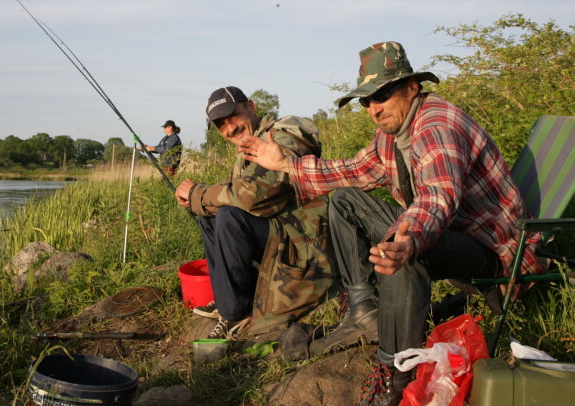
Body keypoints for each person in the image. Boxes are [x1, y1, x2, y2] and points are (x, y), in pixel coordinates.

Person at [238, 42, 545, 405]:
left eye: (383, 94)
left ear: (412, 86)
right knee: (344, 201)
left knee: (399, 248)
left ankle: (396, 376)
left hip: (493, 250)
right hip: (448, 234)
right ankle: (363, 311)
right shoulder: (391, 134)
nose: (374, 108)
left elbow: (438, 195)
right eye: (366, 100)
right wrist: (285, 164)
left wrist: (409, 238)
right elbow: (352, 172)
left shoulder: (436, 124)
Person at [175, 86, 335, 339]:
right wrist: (198, 199)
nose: (229, 129)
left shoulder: (281, 137)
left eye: (233, 116)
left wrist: (198, 194)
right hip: (281, 233)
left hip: (306, 242)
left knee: (229, 215)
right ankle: (232, 299)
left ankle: (234, 313)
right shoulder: (248, 147)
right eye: (221, 125)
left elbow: (253, 196)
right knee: (209, 215)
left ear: (251, 106)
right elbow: (234, 193)